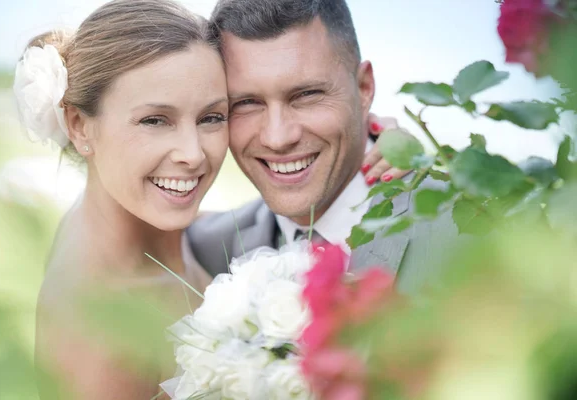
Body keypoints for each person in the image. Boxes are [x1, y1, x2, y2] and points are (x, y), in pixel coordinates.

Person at [13, 0, 397, 398]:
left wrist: (384, 142)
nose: (193, 154)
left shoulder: (194, 238)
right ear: (78, 125)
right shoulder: (96, 319)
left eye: (212, 117)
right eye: (154, 120)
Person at [188, 0, 459, 293]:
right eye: (246, 102)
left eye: (306, 95)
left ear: (364, 88)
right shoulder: (207, 248)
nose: (277, 138)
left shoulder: (471, 224)